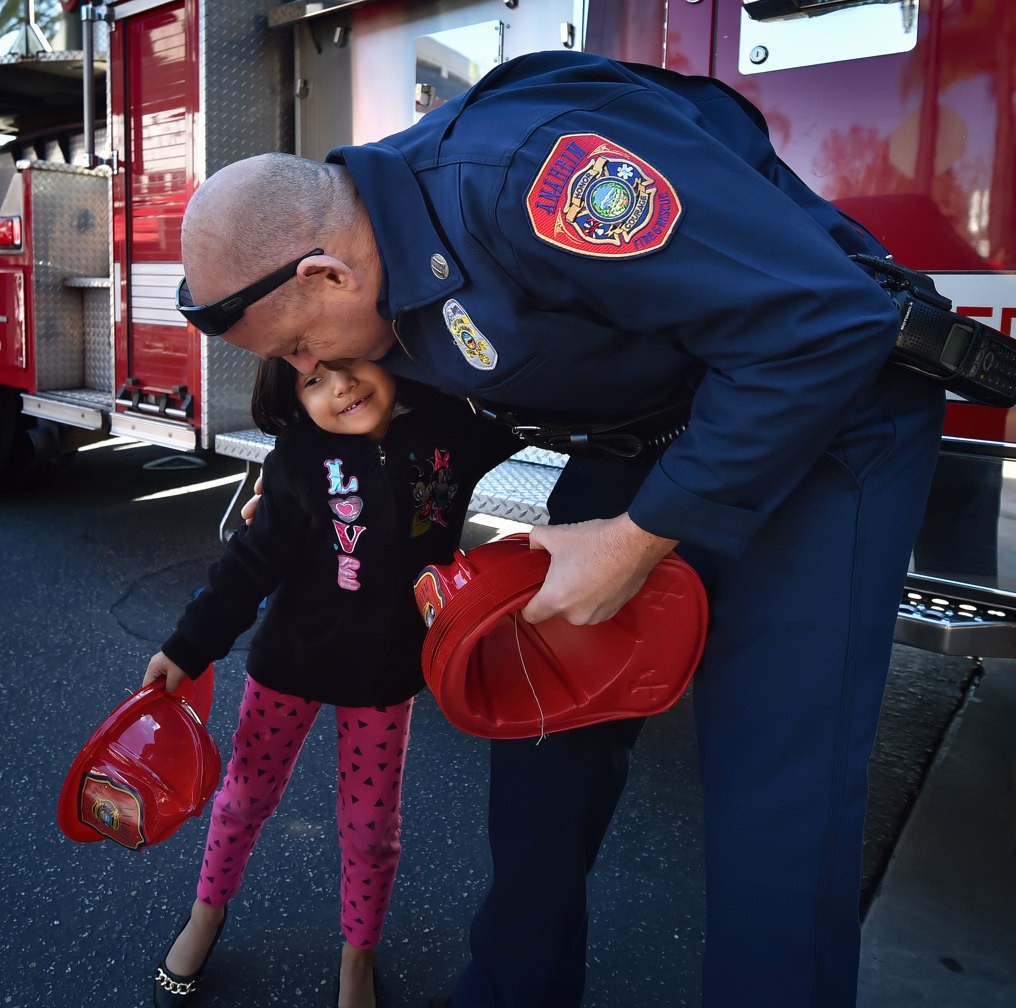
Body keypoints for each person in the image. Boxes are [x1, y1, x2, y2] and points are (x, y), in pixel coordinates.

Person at [175, 51, 946, 1008]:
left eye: (298, 345)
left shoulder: (532, 179)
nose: (306, 365)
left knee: (770, 796)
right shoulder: (380, 258)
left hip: (825, 405)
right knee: (538, 723)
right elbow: (463, 388)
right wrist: (303, 482)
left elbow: (824, 327)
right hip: (655, 423)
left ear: (328, 271)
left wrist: (636, 538)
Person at [145, 356, 517, 1008]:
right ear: (292, 395)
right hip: (290, 663)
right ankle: (206, 914)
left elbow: (526, 408)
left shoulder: (449, 430)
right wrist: (188, 645)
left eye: (350, 364)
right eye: (313, 380)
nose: (340, 386)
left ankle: (357, 961)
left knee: (372, 831)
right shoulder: (299, 458)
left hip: (385, 675)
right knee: (243, 801)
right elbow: (250, 564)